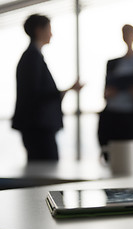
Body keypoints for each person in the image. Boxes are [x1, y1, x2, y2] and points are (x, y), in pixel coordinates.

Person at [12, 14, 83, 162]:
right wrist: (67, 90)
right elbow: (36, 95)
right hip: (39, 127)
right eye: (49, 29)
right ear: (39, 30)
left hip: (37, 126)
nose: (51, 34)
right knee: (45, 169)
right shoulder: (32, 58)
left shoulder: (32, 57)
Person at [98, 24, 133, 163]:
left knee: (132, 156)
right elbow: (105, 92)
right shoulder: (112, 63)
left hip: (130, 115)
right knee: (111, 155)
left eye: (129, 33)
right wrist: (111, 92)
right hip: (111, 114)